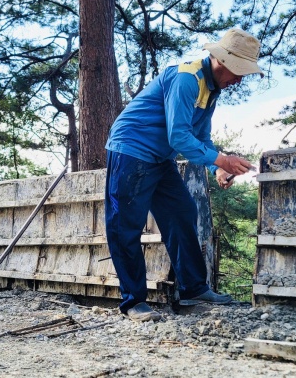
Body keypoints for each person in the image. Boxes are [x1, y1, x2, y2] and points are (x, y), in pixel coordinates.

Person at [105, 28, 261, 322]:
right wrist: (223, 159)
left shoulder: (211, 90)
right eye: (238, 72)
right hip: (131, 149)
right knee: (125, 224)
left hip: (159, 157)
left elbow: (200, 137)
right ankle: (133, 301)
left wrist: (217, 167)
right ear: (221, 61)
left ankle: (193, 288)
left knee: (181, 212)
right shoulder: (187, 78)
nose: (239, 80)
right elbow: (179, 136)